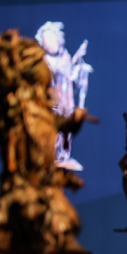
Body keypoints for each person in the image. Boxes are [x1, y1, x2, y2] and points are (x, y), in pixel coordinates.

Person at [35, 21, 92, 171]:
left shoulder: (65, 57)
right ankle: (52, 155)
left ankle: (63, 155)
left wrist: (79, 68)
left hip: (66, 98)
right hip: (53, 99)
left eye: (52, 41)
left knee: (67, 127)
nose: (50, 45)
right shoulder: (45, 61)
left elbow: (70, 74)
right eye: (46, 43)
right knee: (54, 126)